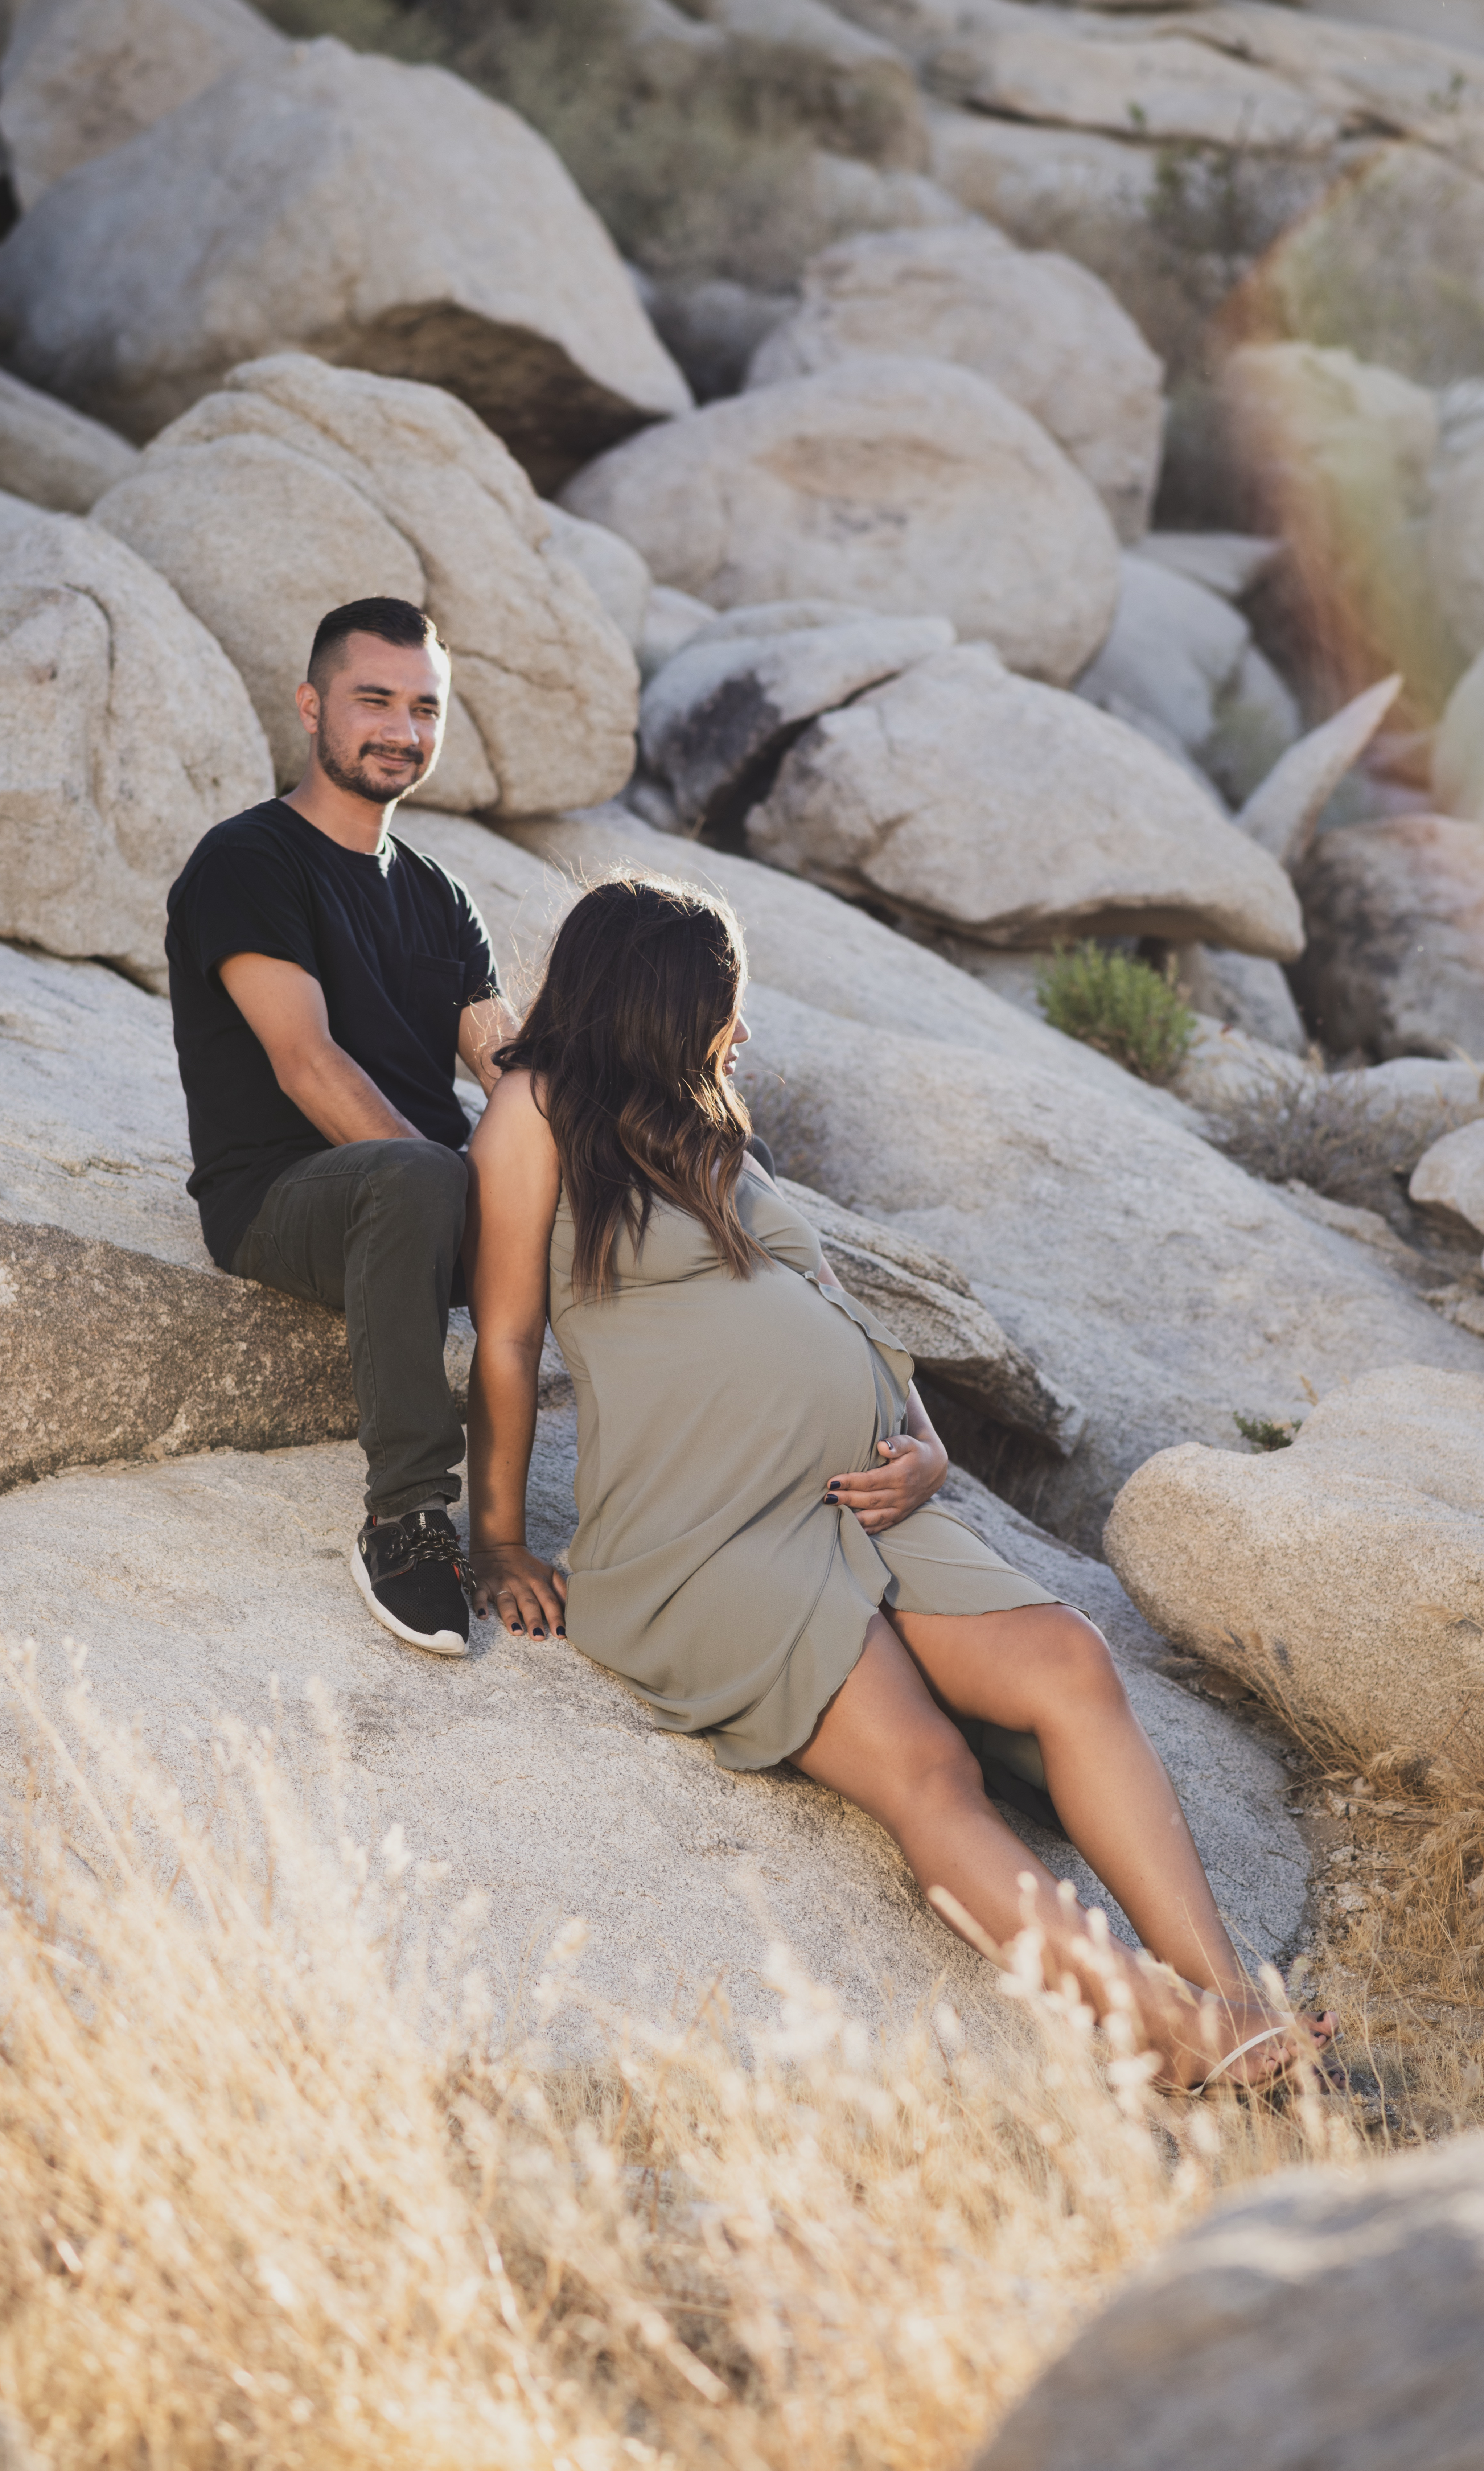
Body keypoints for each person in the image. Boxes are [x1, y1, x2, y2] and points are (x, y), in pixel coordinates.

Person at [463, 873, 1337, 2092]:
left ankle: (1239, 2001)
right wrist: (498, 1536)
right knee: (930, 1769)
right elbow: (508, 1340)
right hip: (712, 1535)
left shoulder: (697, 1125)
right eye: (722, 1003)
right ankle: (1170, 2031)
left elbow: (834, 1309)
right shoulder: (533, 1115)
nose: (739, 1031)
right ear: (649, 999)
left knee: (1068, 1657)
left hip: (855, 1501)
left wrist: (925, 1445)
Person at [165, 597, 513, 1656]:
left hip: (431, 1198)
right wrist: (463, 1191)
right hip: (285, 1197)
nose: (402, 731)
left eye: (424, 708)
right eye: (374, 700)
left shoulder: (442, 896)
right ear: (312, 705)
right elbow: (304, 1061)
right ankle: (406, 1519)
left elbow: (511, 1067)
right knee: (419, 1176)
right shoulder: (248, 859)